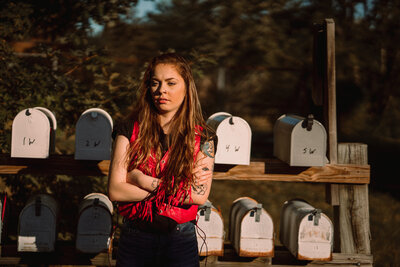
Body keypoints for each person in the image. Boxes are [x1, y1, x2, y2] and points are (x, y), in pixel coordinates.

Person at [108, 53, 216, 267]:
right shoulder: (128, 129)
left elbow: (197, 195)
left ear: (187, 87)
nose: (161, 90)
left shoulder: (203, 138)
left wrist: (139, 178)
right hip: (135, 235)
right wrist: (174, 191)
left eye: (171, 83)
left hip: (180, 238)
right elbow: (115, 190)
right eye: (155, 83)